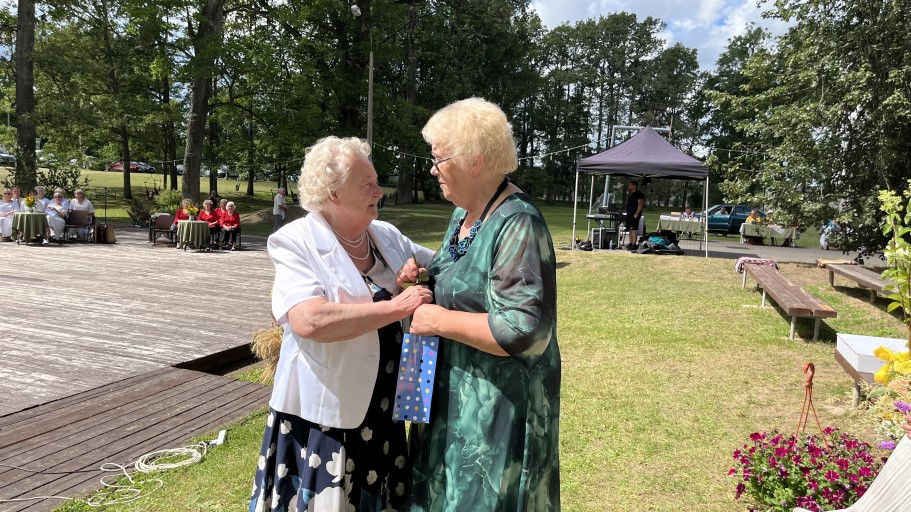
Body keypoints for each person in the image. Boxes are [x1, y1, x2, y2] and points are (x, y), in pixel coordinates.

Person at [248, 136, 434, 512]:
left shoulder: (386, 236)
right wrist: (398, 306)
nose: (380, 191)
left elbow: (444, 265)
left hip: (385, 411)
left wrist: (420, 274)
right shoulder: (295, 241)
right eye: (368, 184)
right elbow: (310, 320)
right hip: (327, 421)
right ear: (333, 192)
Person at [407, 97, 561, 511]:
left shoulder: (518, 222)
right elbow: (459, 277)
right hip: (458, 400)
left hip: (499, 413)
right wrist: (423, 275)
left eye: (439, 159)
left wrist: (437, 320)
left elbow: (522, 331)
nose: (433, 169)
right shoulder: (465, 215)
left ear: (473, 162)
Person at [625, 180, 645, 250]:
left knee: (633, 229)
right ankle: (630, 243)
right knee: (630, 229)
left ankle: (634, 244)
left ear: (634, 186)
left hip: (634, 214)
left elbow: (641, 204)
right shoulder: (631, 194)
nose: (629, 186)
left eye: (630, 185)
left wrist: (637, 213)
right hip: (629, 214)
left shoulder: (639, 194)